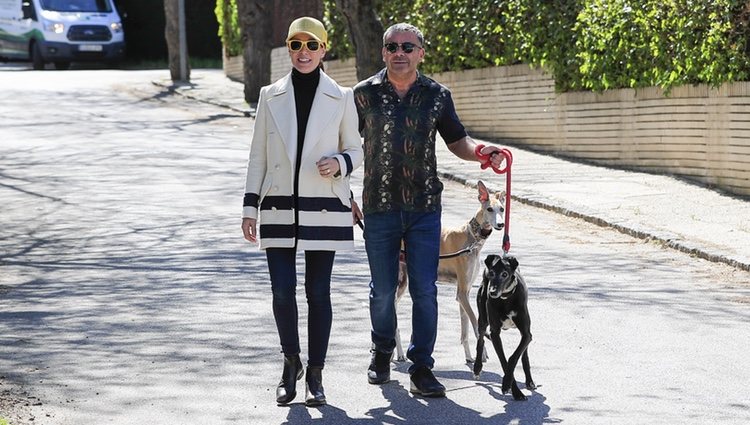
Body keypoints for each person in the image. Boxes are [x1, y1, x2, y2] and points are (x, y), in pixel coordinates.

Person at [353, 23, 506, 398]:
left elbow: (458, 140)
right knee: (383, 289)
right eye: (392, 46)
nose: (399, 52)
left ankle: (422, 366)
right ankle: (382, 352)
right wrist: (344, 193)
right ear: (383, 52)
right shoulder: (362, 95)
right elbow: (344, 144)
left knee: (424, 289)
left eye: (408, 46)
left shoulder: (437, 95)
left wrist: (482, 152)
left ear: (421, 52)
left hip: (424, 209)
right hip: (379, 206)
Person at [241, 16, 363, 407]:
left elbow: (357, 150)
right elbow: (257, 155)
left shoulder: (342, 97)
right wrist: (249, 207)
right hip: (277, 206)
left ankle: (316, 374)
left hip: (323, 207)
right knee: (281, 291)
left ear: (324, 50)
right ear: (289, 50)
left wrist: (340, 163)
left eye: (312, 45)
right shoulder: (268, 94)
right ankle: (290, 362)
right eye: (296, 45)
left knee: (318, 292)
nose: (304, 52)